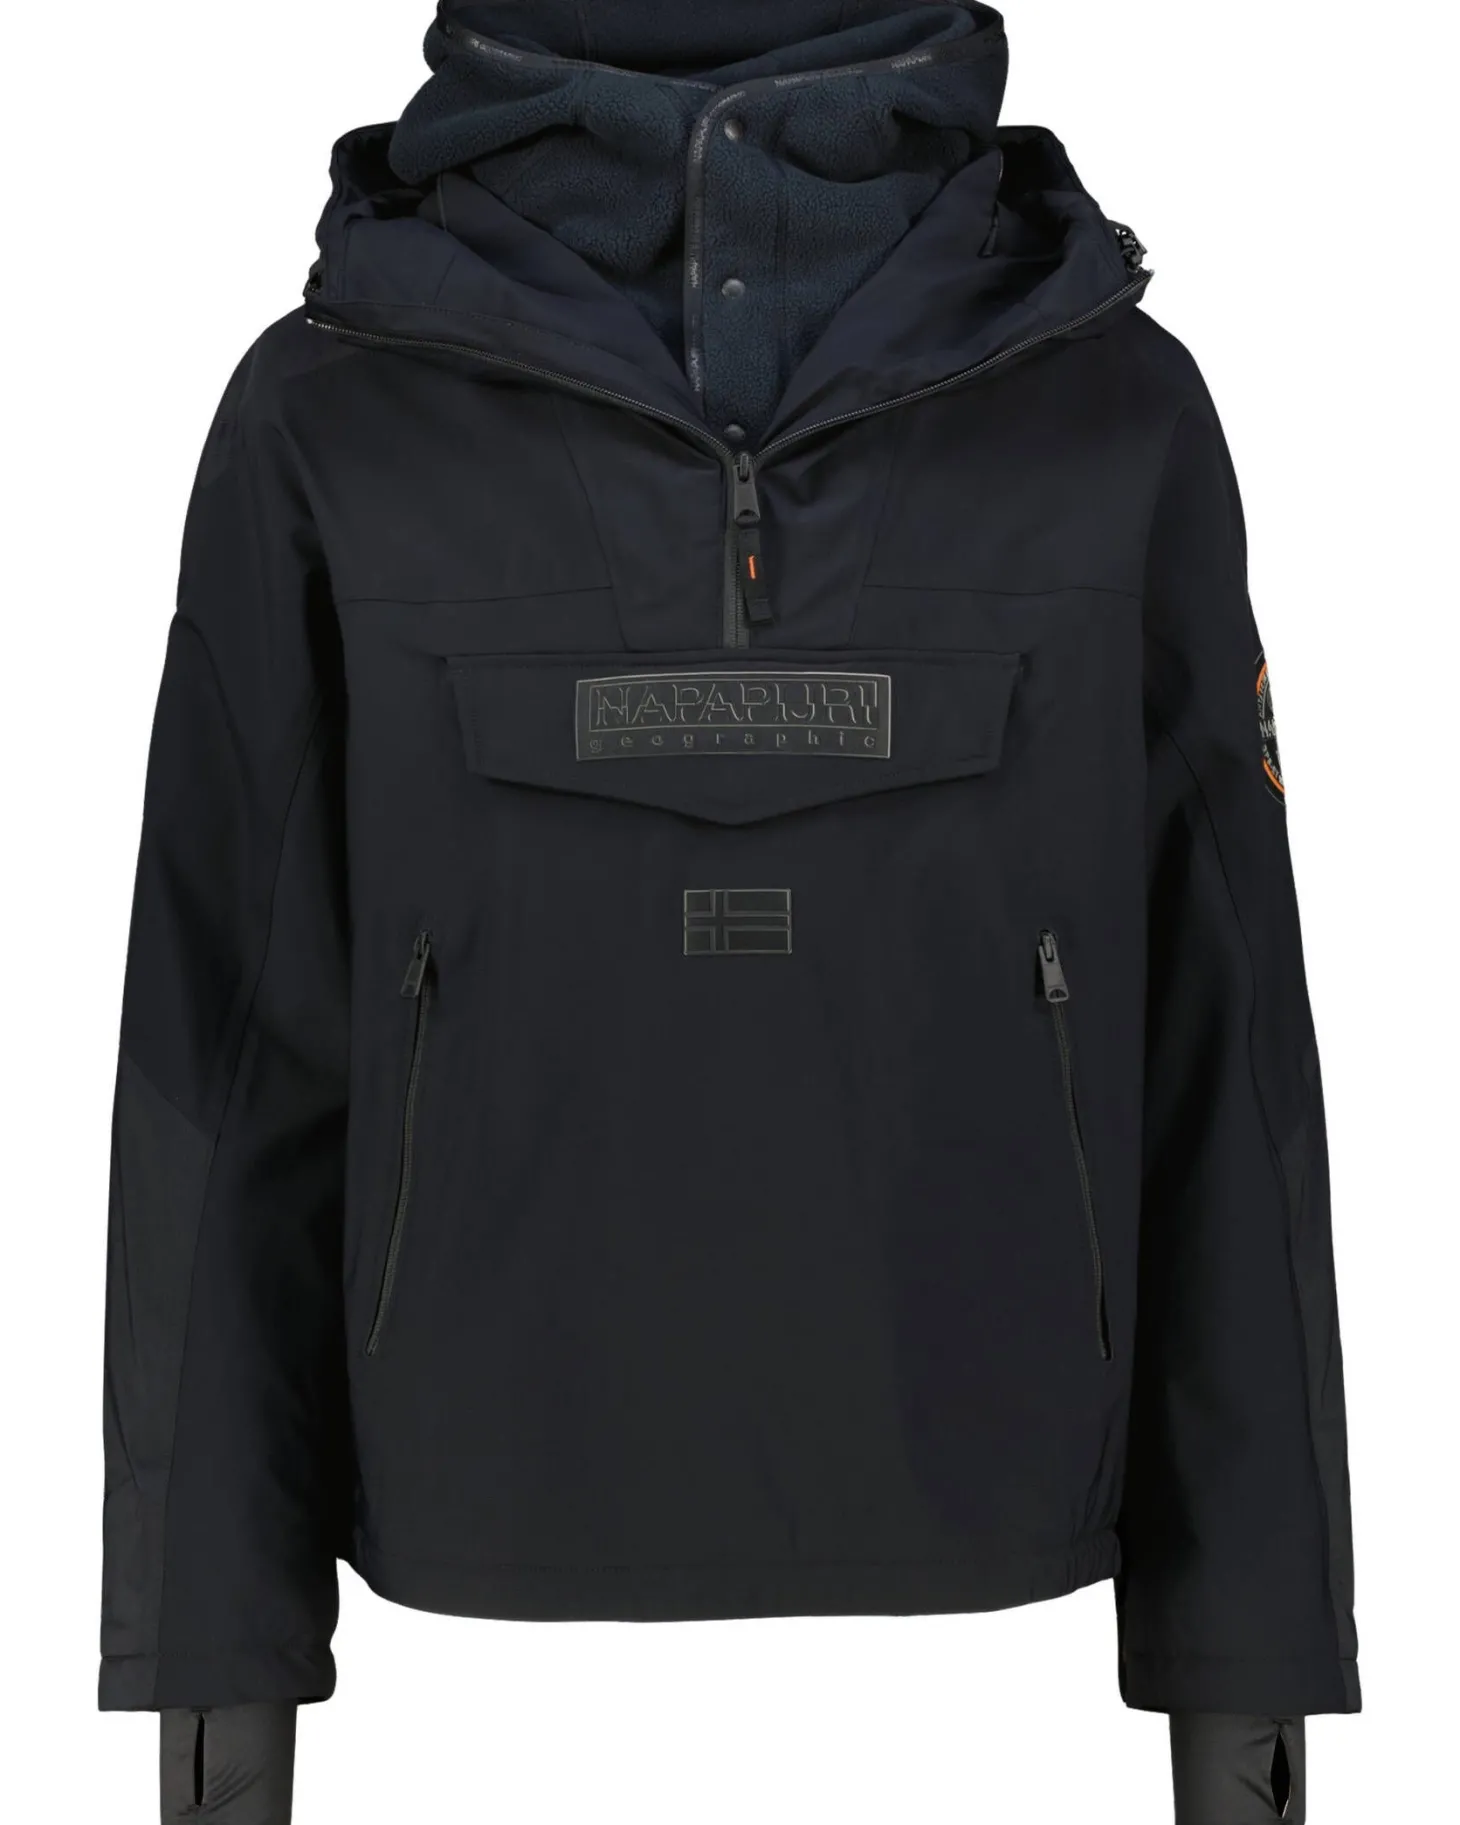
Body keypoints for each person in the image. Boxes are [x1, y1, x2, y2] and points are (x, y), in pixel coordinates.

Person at [103, 7, 1358, 1821]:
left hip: (1000, 1670)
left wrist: (1250, 1708)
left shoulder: (1112, 414)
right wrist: (216, 1715)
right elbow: (225, 1078)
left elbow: (1226, 1074)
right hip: (463, 1681)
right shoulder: (329, 417)